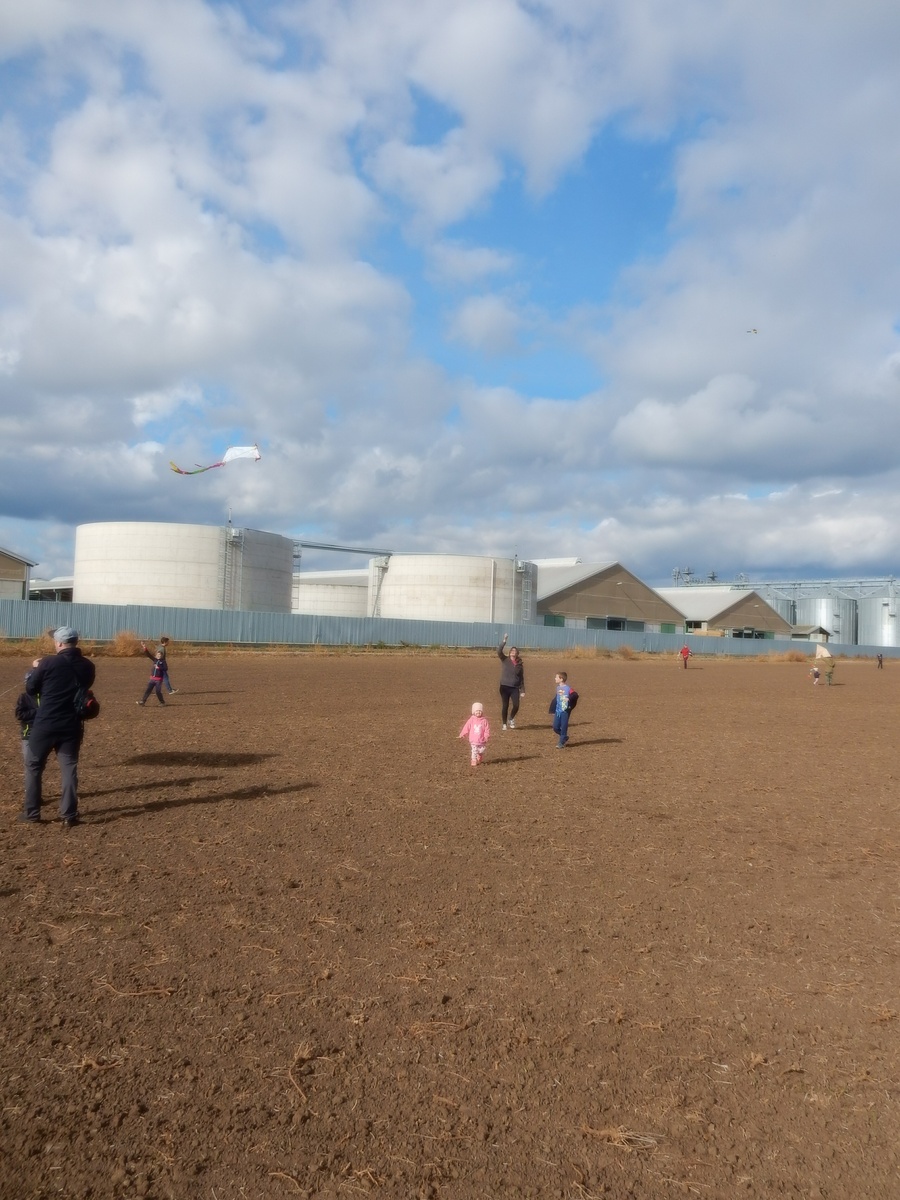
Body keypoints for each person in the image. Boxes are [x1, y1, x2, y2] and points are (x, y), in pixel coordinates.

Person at [21, 627, 95, 827]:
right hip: (71, 725)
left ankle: (32, 813)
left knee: (34, 766)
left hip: (45, 724)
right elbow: (84, 688)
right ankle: (69, 815)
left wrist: (36, 669)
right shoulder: (88, 666)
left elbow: (31, 688)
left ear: (60, 643)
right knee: (69, 768)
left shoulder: (48, 662)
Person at [497, 634, 525, 730]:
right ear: (509, 653)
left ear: (517, 654)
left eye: (515, 651)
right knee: (505, 705)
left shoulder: (519, 665)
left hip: (514, 688)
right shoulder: (505, 659)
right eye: (511, 651)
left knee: (516, 705)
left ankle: (511, 718)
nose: (513, 652)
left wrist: (522, 690)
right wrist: (504, 640)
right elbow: (499, 651)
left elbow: (521, 678)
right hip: (504, 687)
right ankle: (504, 724)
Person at [459, 701, 491, 767]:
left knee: (481, 750)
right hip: (473, 739)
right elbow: (466, 727)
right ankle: (473, 760)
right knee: (474, 750)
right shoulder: (471, 720)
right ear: (473, 712)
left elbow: (487, 729)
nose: (478, 712)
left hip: (482, 740)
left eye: (480, 711)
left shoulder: (484, 721)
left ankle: (479, 755)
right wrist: (463, 733)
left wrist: (486, 736)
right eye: (476, 711)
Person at [550, 671, 573, 749]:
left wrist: (569, 698)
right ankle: (564, 737)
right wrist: (552, 709)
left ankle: (561, 742)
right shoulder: (558, 688)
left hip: (565, 711)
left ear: (561, 679)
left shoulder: (568, 688)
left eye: (556, 677)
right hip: (558, 711)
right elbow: (556, 699)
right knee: (555, 727)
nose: (555, 678)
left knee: (563, 727)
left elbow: (575, 695)